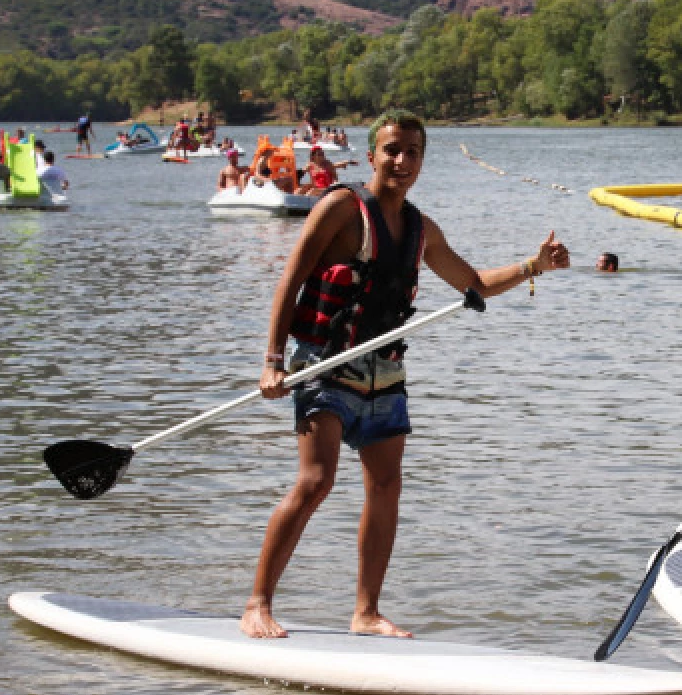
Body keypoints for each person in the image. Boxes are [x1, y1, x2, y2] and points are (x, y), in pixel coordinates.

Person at [239, 109, 571, 639]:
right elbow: (291, 280)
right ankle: (257, 604)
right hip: (324, 364)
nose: (401, 160)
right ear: (371, 155)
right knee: (316, 481)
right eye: (392, 150)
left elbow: (475, 284)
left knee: (386, 487)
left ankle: (366, 613)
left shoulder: (422, 230)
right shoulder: (339, 210)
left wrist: (534, 267)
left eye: (413, 152)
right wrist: (272, 360)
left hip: (385, 375)